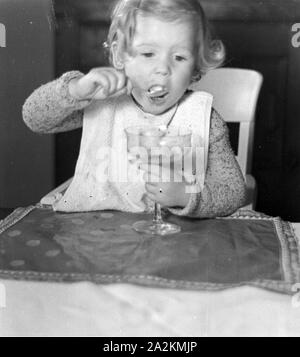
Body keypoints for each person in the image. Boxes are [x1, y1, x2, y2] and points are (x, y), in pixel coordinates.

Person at [22, 0, 246, 218]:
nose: (162, 69)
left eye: (179, 57)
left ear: (195, 67)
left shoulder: (203, 118)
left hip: (180, 243)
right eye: (148, 54)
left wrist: (186, 196)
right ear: (120, 55)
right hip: (101, 237)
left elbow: (233, 191)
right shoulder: (103, 104)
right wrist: (76, 91)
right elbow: (34, 118)